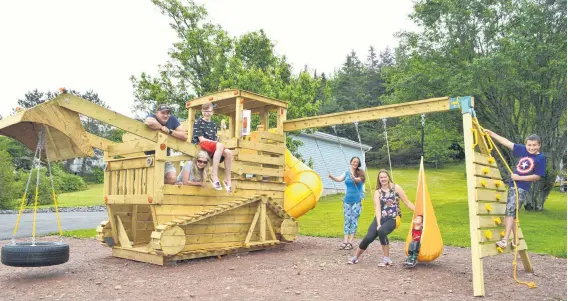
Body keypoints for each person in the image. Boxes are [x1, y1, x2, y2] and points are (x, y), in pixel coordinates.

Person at [484, 130, 546, 248]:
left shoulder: (540, 158)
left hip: (521, 188)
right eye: (529, 145)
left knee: (510, 212)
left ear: (539, 145)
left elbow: (537, 176)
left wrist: (519, 177)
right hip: (513, 185)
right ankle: (516, 239)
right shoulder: (523, 150)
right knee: (513, 213)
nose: (531, 147)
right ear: (526, 144)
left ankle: (505, 240)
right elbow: (507, 142)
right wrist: (492, 134)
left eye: (534, 145)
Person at [347, 169, 415, 266]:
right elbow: (378, 209)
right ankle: (356, 257)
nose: (383, 179)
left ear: (388, 177)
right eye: (381, 177)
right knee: (369, 237)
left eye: (385, 177)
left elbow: (407, 203)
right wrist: (378, 223)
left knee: (382, 231)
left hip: (393, 218)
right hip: (380, 218)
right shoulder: (377, 192)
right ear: (379, 179)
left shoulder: (396, 188)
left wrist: (418, 210)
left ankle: (386, 259)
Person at [191, 103, 233, 193]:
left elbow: (214, 141)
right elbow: (201, 139)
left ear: (212, 112)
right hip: (200, 144)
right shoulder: (198, 121)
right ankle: (214, 175)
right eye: (205, 111)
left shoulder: (213, 124)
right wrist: (216, 143)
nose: (206, 113)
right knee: (220, 145)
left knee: (229, 152)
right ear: (202, 112)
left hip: (211, 146)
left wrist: (216, 143)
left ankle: (228, 179)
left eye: (208, 111)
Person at [328, 157, 366, 250]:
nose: (355, 163)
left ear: (358, 163)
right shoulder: (346, 173)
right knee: (347, 219)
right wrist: (332, 177)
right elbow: (339, 179)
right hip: (347, 199)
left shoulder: (361, 172)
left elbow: (359, 180)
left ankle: (350, 242)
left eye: (357, 162)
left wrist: (354, 178)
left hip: (358, 199)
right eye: (354, 162)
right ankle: (345, 241)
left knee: (354, 219)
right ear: (351, 162)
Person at [144, 104, 187, 184]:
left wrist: (169, 131)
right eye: (163, 113)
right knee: (149, 176)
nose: (166, 115)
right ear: (157, 113)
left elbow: (184, 135)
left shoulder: (172, 119)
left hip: (165, 157)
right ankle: (151, 184)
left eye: (167, 113)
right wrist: (161, 127)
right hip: (149, 158)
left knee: (172, 179)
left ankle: (155, 184)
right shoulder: (152, 116)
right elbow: (148, 122)